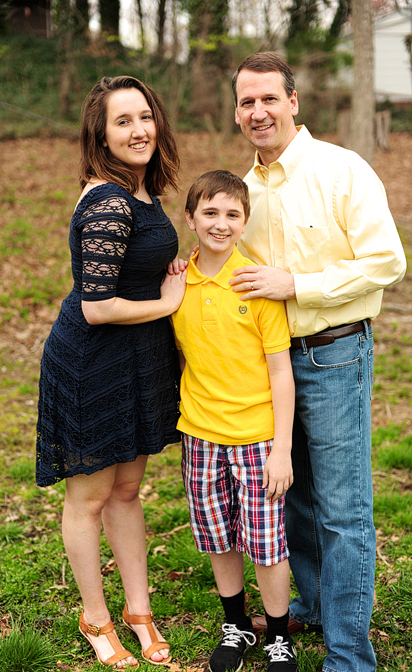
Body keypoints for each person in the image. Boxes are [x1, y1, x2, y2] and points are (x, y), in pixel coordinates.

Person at [229, 52, 407, 672]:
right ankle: (311, 604)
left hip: (334, 355)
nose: (259, 112)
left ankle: (350, 657)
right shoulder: (243, 192)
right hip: (268, 367)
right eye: (247, 102)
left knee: (342, 511)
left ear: (294, 101)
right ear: (236, 111)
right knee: (291, 496)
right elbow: (230, 271)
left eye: (269, 99)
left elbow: (387, 261)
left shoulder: (341, 170)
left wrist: (298, 286)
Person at [36, 75, 185, 668]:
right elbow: (97, 306)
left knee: (128, 490)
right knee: (91, 496)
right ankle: (95, 617)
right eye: (122, 121)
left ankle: (138, 609)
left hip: (140, 358)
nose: (138, 130)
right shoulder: (107, 200)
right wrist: (166, 305)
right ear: (100, 134)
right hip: (93, 362)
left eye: (144, 116)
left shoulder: (141, 193)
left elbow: (133, 266)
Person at [170, 170, 296, 672]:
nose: (220, 224)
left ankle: (279, 636)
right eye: (210, 213)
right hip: (199, 435)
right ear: (191, 218)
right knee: (217, 537)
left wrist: (281, 448)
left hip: (256, 439)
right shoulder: (177, 280)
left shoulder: (257, 284)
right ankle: (235, 625)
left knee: (265, 545)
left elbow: (281, 373)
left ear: (244, 224)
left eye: (232, 215)